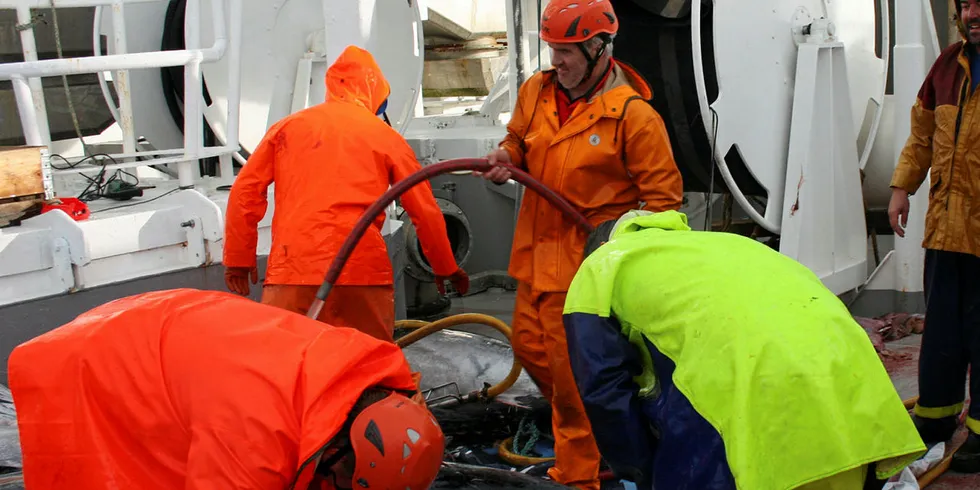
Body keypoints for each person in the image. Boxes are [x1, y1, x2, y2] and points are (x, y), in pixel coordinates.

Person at [561, 209, 927, 490]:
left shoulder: (602, 268)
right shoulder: (723, 246)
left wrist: (638, 469)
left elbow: (604, 389)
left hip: (760, 419)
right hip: (856, 409)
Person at [473, 1, 683, 488]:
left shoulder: (633, 117)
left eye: (566, 52)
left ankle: (579, 477)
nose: (557, 62)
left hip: (584, 275)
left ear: (598, 47)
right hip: (533, 262)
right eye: (552, 50)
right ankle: (601, 440)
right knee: (529, 350)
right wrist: (506, 156)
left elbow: (665, 205)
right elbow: (519, 140)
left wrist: (615, 242)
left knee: (574, 389)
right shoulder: (537, 92)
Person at [7, 288, 446, 490]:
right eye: (345, 486)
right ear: (338, 452)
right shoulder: (254, 436)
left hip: (161, 329)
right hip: (93, 368)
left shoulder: (354, 374)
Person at [223, 44, 469, 343]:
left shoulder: (287, 128)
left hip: (293, 272)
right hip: (361, 274)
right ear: (376, 91)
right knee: (370, 371)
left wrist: (239, 257)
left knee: (287, 371)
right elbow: (423, 208)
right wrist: (445, 266)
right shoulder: (385, 137)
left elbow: (245, 191)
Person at [888, 0, 980, 472]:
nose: (973, 13)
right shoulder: (947, 66)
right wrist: (902, 187)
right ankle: (937, 418)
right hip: (945, 231)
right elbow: (922, 135)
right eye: (966, 3)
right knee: (943, 332)